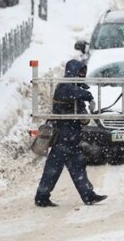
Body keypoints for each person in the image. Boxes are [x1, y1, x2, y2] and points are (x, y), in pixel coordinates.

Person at [34, 60, 107, 207]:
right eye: (80, 72)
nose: (82, 75)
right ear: (73, 71)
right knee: (53, 169)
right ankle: (42, 197)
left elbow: (81, 115)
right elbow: (73, 93)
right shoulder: (64, 87)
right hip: (62, 136)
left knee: (77, 167)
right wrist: (89, 96)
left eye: (84, 73)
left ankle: (88, 195)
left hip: (72, 137)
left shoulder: (75, 88)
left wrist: (85, 114)